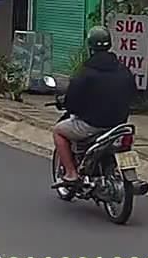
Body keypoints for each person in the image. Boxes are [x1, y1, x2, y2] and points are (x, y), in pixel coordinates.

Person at [53, 26, 137, 189]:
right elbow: (133, 95)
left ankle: (71, 173)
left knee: (58, 131)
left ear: (90, 46)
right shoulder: (124, 70)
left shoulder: (86, 72)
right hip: (118, 125)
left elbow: (72, 102)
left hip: (92, 125)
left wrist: (70, 105)